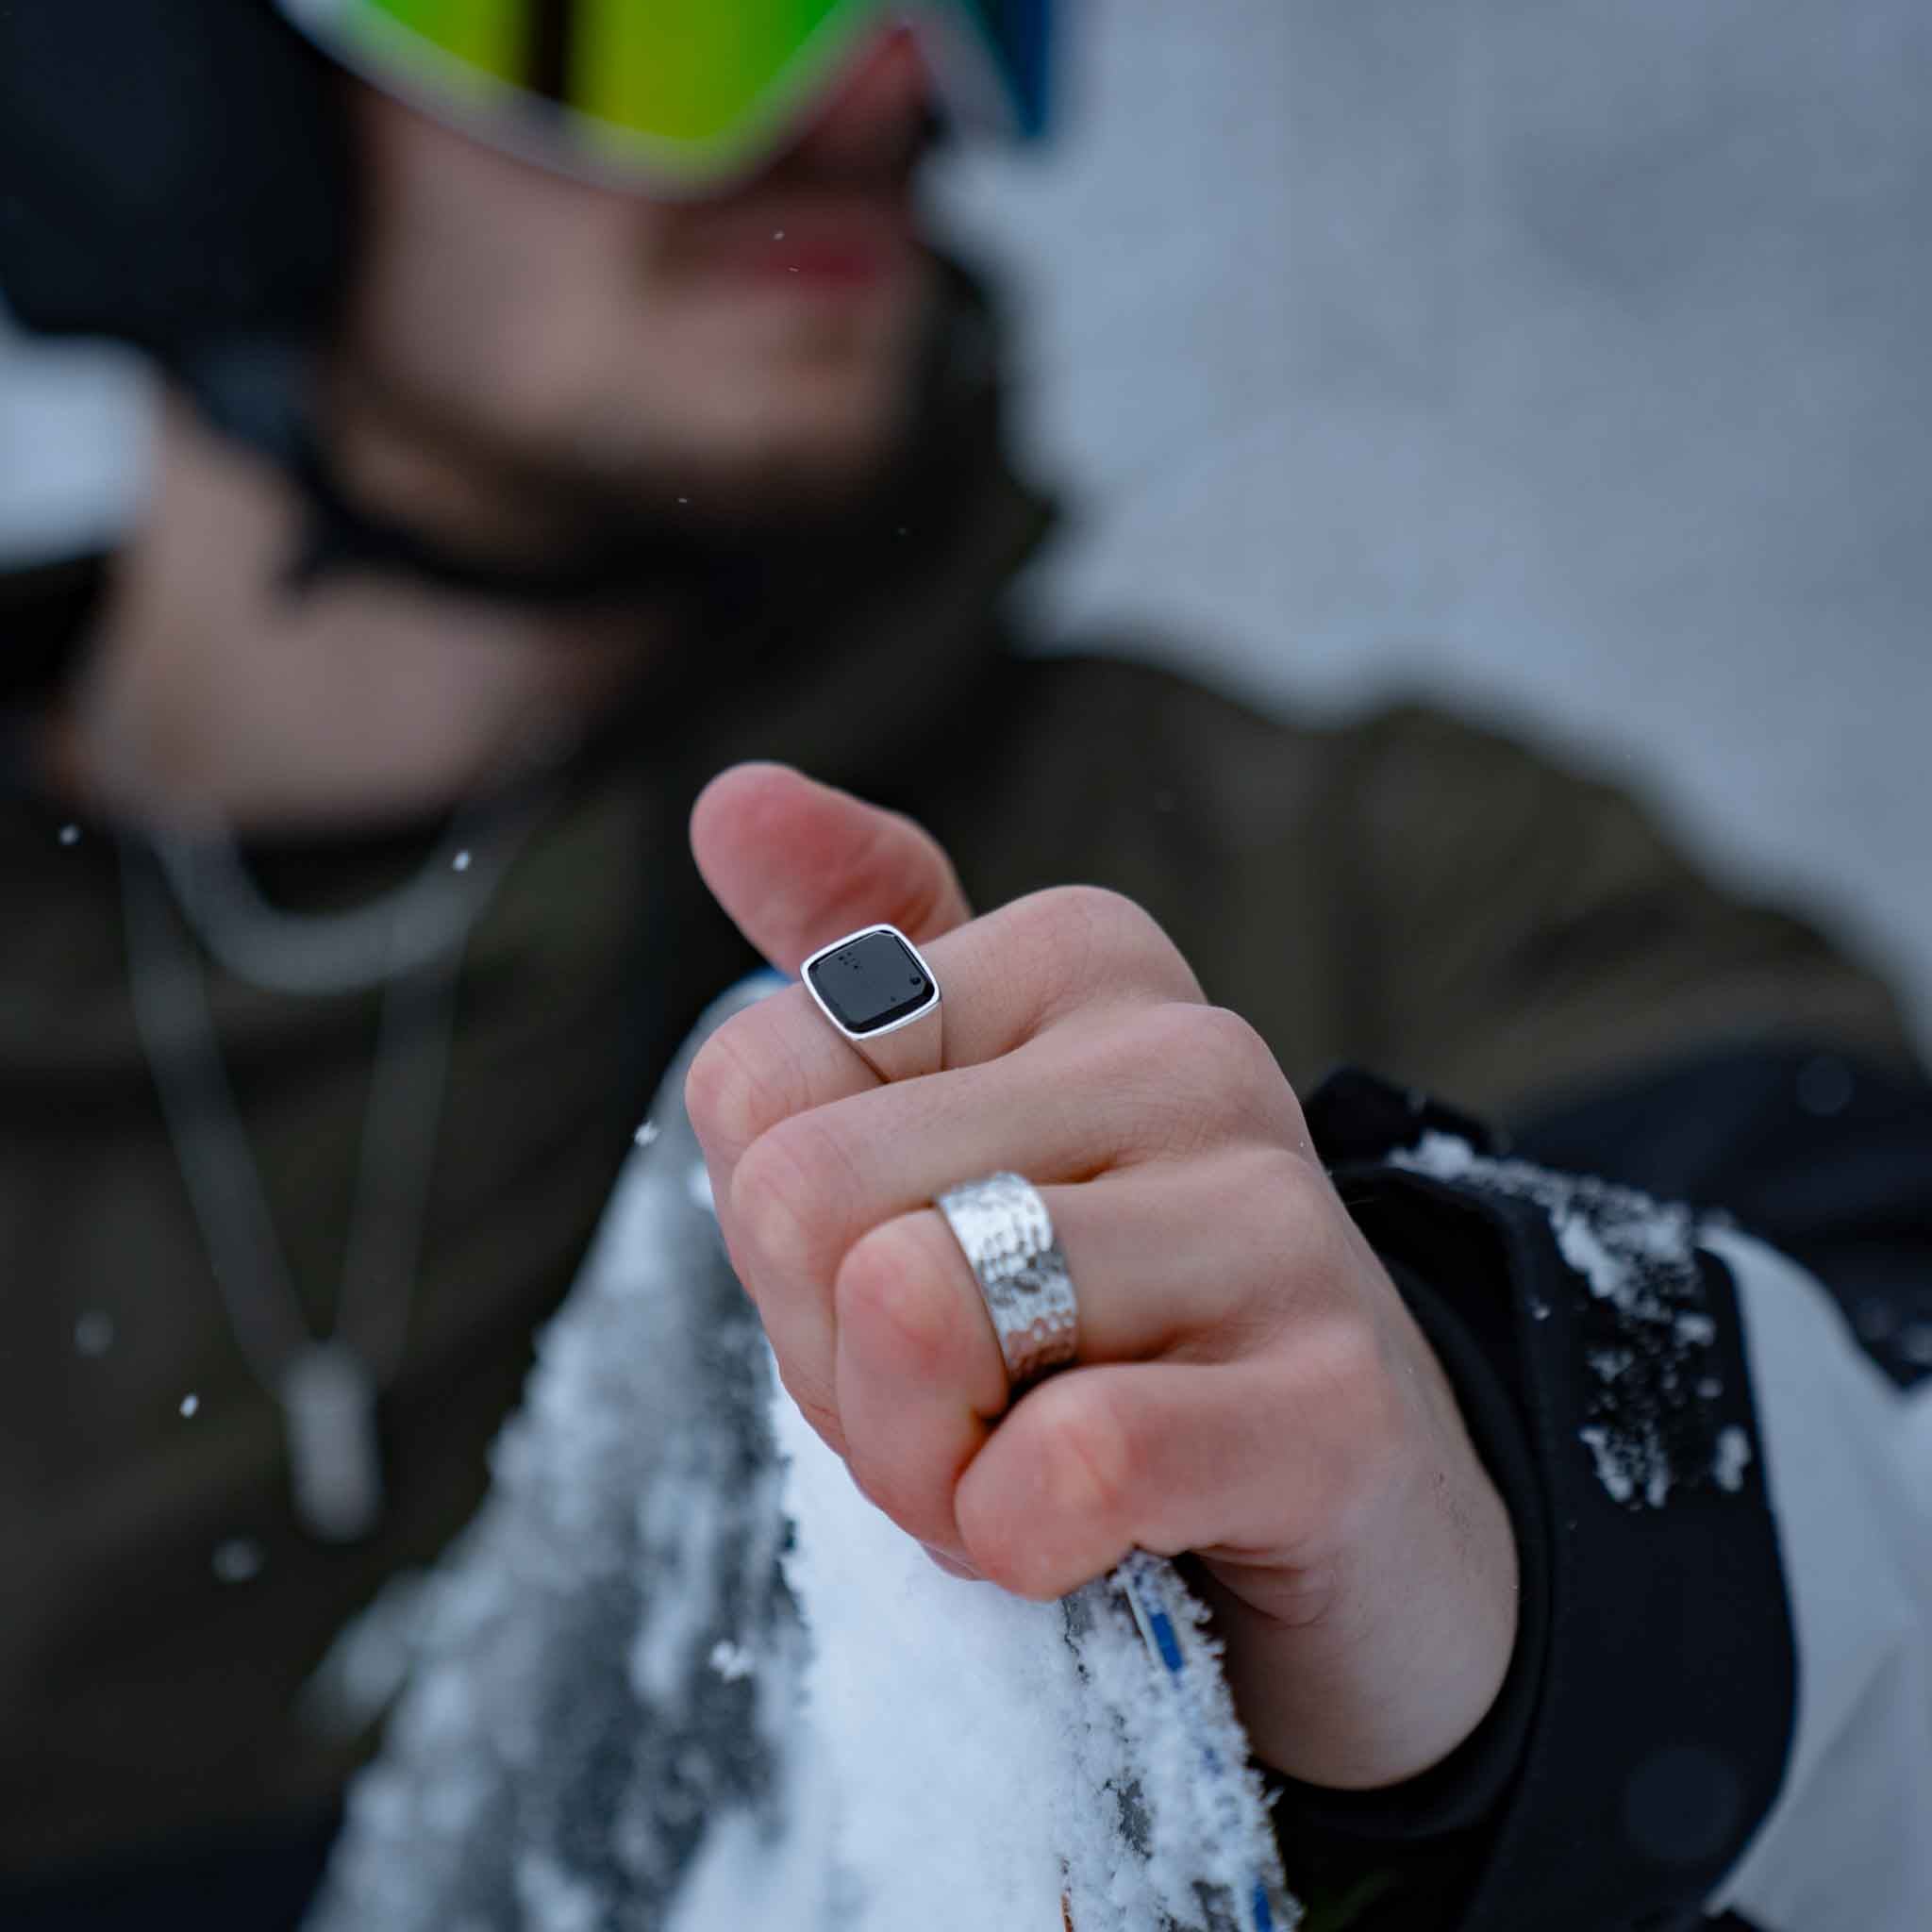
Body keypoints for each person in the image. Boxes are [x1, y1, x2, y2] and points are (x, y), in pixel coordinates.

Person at [0, 3, 1926, 1927]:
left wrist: (1516, 1528)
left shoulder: (1356, 890)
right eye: (698, 13)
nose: (880, 88)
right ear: (179, 79)